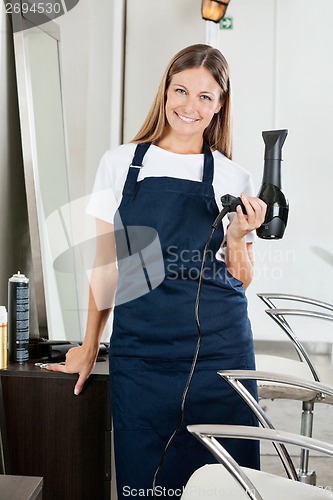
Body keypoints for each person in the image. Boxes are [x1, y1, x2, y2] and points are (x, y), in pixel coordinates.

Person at [47, 44, 266, 498]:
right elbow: (105, 266)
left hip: (219, 358)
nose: (190, 106)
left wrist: (239, 237)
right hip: (141, 356)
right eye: (181, 91)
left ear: (220, 104)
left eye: (206, 97)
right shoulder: (119, 163)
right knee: (145, 486)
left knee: (225, 486)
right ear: (165, 91)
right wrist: (90, 346)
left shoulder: (233, 176)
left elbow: (241, 279)